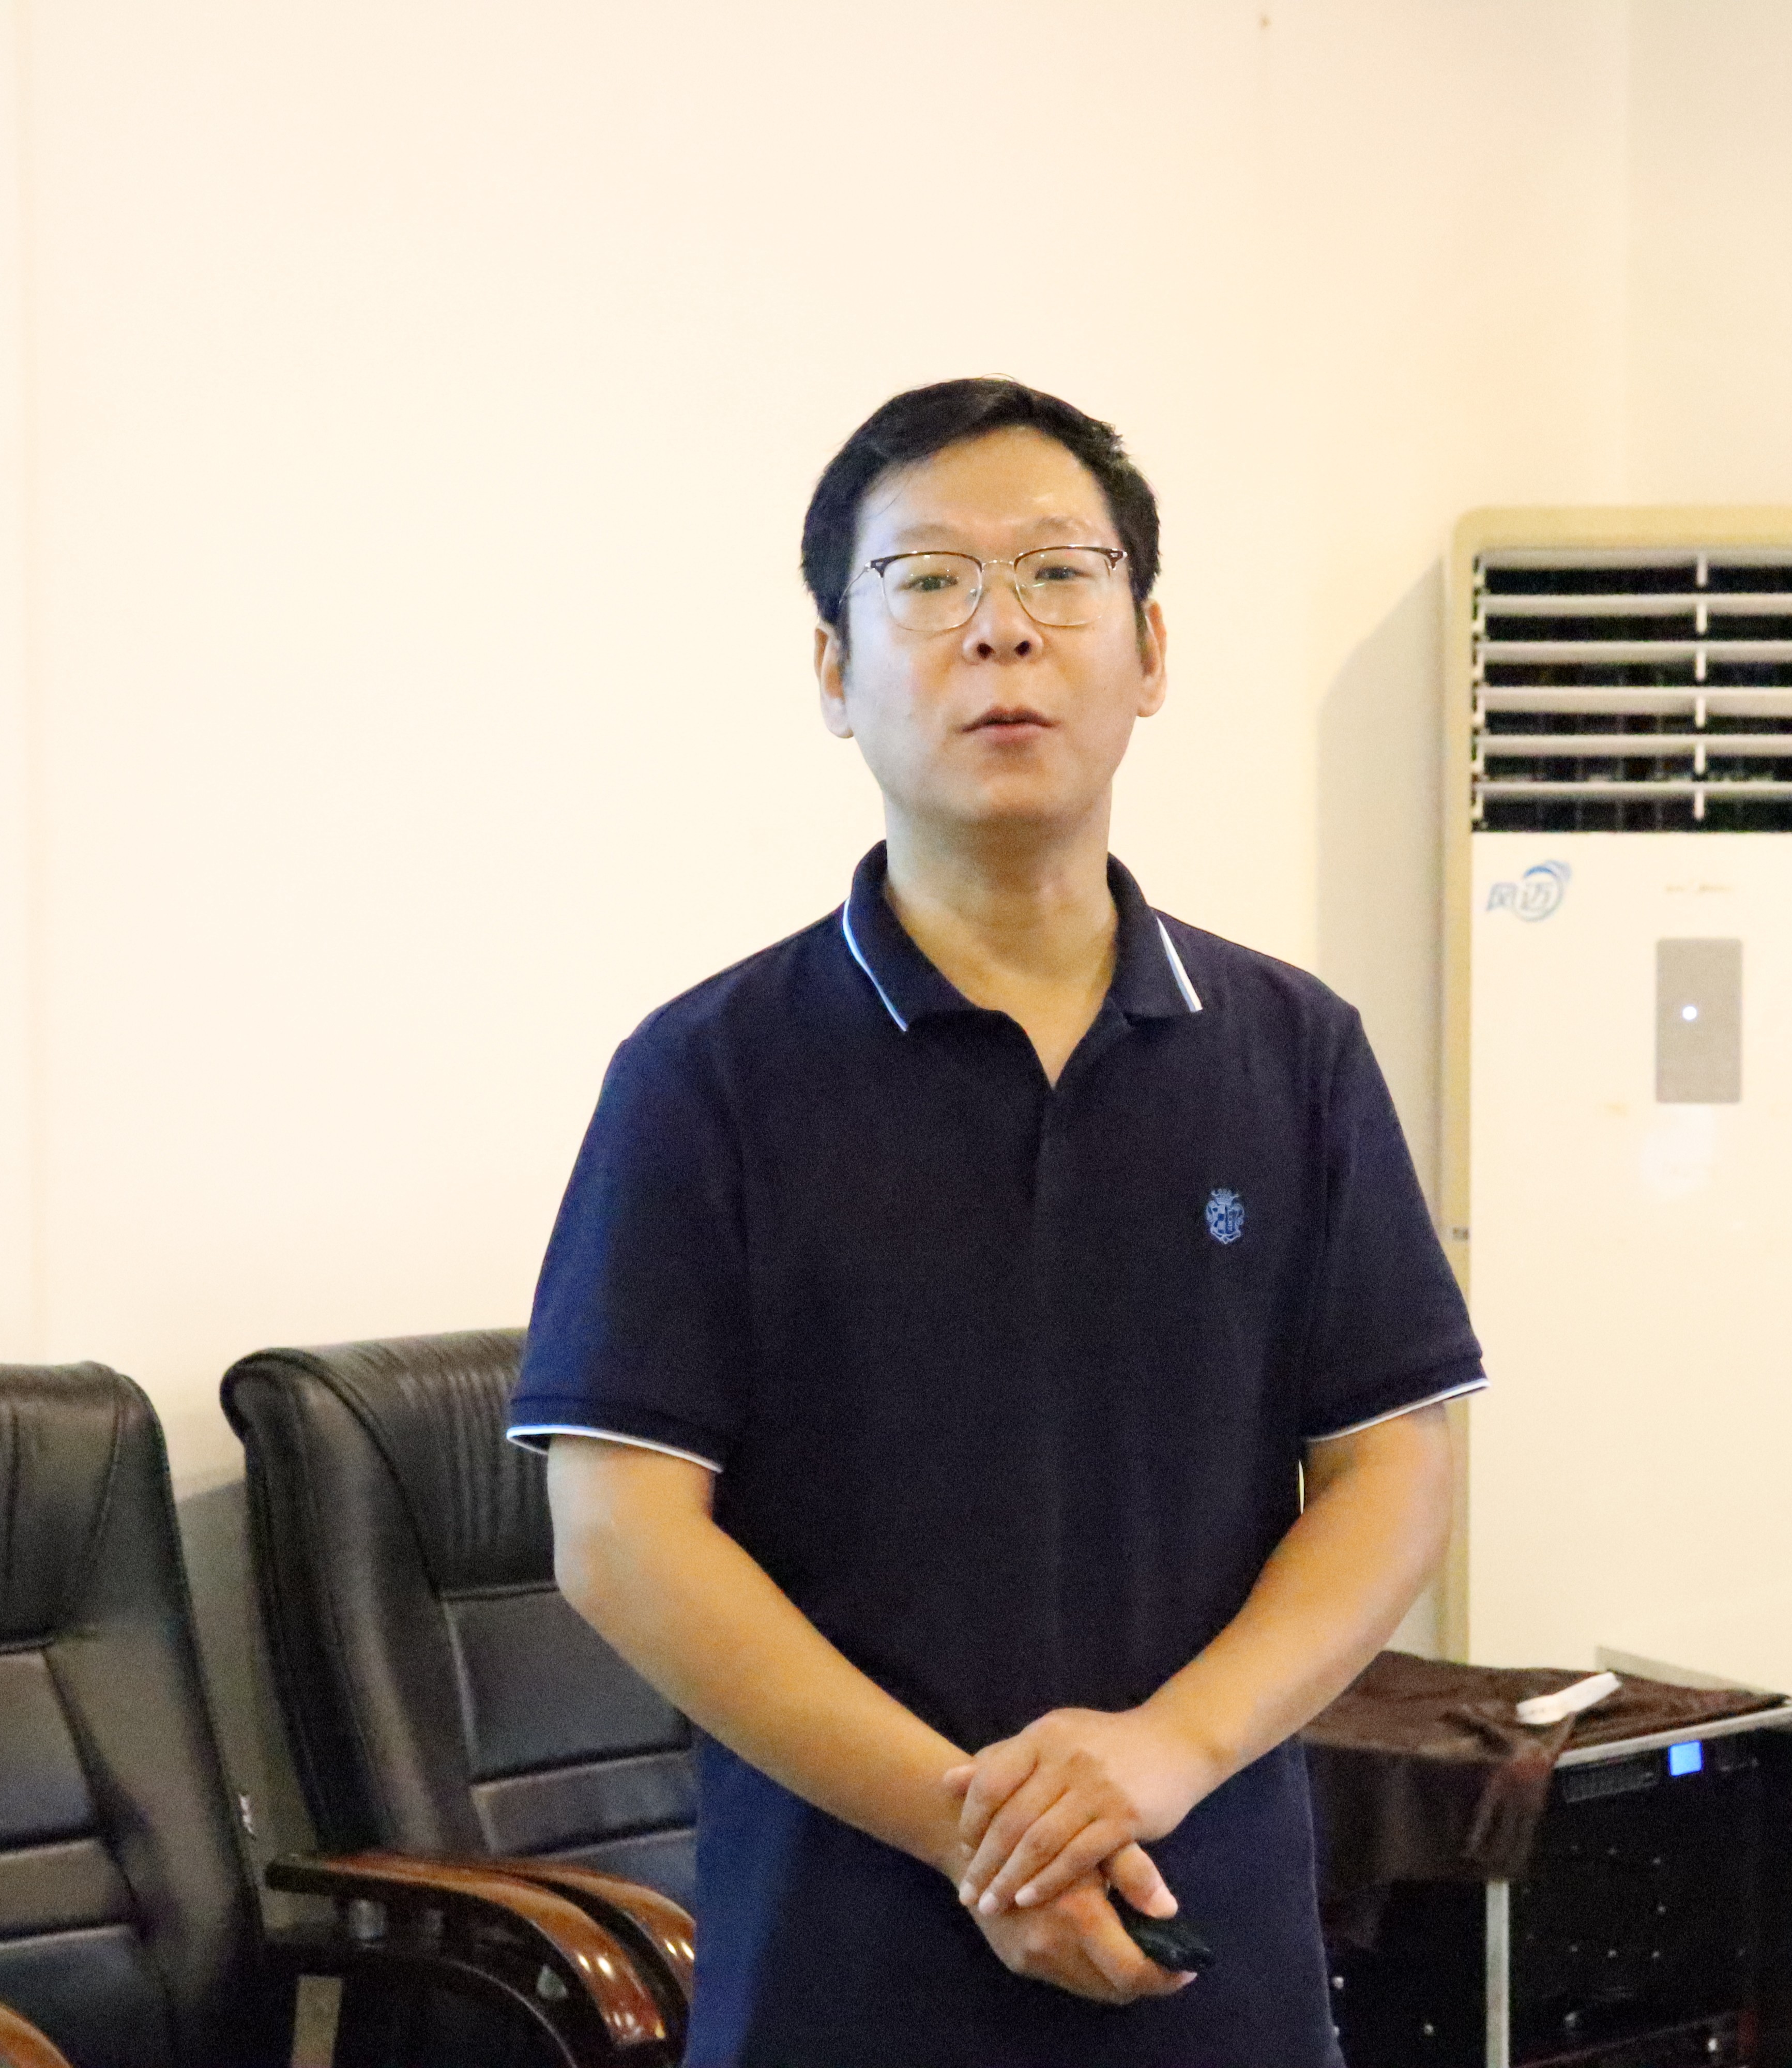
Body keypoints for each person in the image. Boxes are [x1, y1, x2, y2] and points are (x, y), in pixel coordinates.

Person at [508, 377, 1484, 2066]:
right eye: (930, 580)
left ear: (1150, 650)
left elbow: (1391, 1473)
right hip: (842, 1969)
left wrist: (1165, 1752)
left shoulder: (1291, 1051)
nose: (1002, 630)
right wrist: (982, 1831)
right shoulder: (707, 1075)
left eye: (1057, 573)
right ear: (835, 669)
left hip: (1208, 1945)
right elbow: (620, 1535)